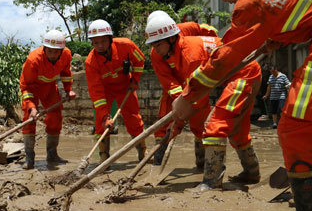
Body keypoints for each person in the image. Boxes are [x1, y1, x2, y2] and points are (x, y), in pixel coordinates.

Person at [173, 0, 312, 211]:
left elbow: (222, 60)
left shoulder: (252, 1)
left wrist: (188, 94)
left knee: (297, 125)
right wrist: (281, 34)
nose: (227, 1)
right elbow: (310, 9)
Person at [147, 11, 218, 166]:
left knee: (199, 117)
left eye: (158, 44)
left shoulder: (187, 40)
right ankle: (158, 156)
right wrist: (180, 103)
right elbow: (168, 82)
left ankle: (202, 160)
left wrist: (181, 118)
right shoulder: (156, 53)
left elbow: (197, 94)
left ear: (171, 36)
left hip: (198, 69)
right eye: (153, 44)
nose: (156, 49)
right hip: (178, 74)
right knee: (165, 116)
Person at [85, 19, 146, 163]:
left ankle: (143, 152)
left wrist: (135, 80)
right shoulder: (90, 62)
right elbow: (96, 93)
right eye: (95, 43)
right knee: (101, 123)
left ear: (110, 39)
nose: (99, 46)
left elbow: (140, 60)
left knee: (133, 118)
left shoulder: (126, 45)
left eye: (103, 42)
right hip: (105, 91)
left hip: (126, 86)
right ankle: (104, 157)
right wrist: (105, 116)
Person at [19, 30, 76, 169]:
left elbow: (66, 73)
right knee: (29, 118)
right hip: (32, 88)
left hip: (50, 87)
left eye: (56, 52)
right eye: (49, 51)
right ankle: (29, 157)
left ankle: (52, 154)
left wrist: (69, 90)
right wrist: (32, 107)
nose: (52, 55)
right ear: (44, 49)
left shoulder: (66, 55)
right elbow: (26, 86)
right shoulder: (33, 59)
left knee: (55, 116)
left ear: (61, 51)